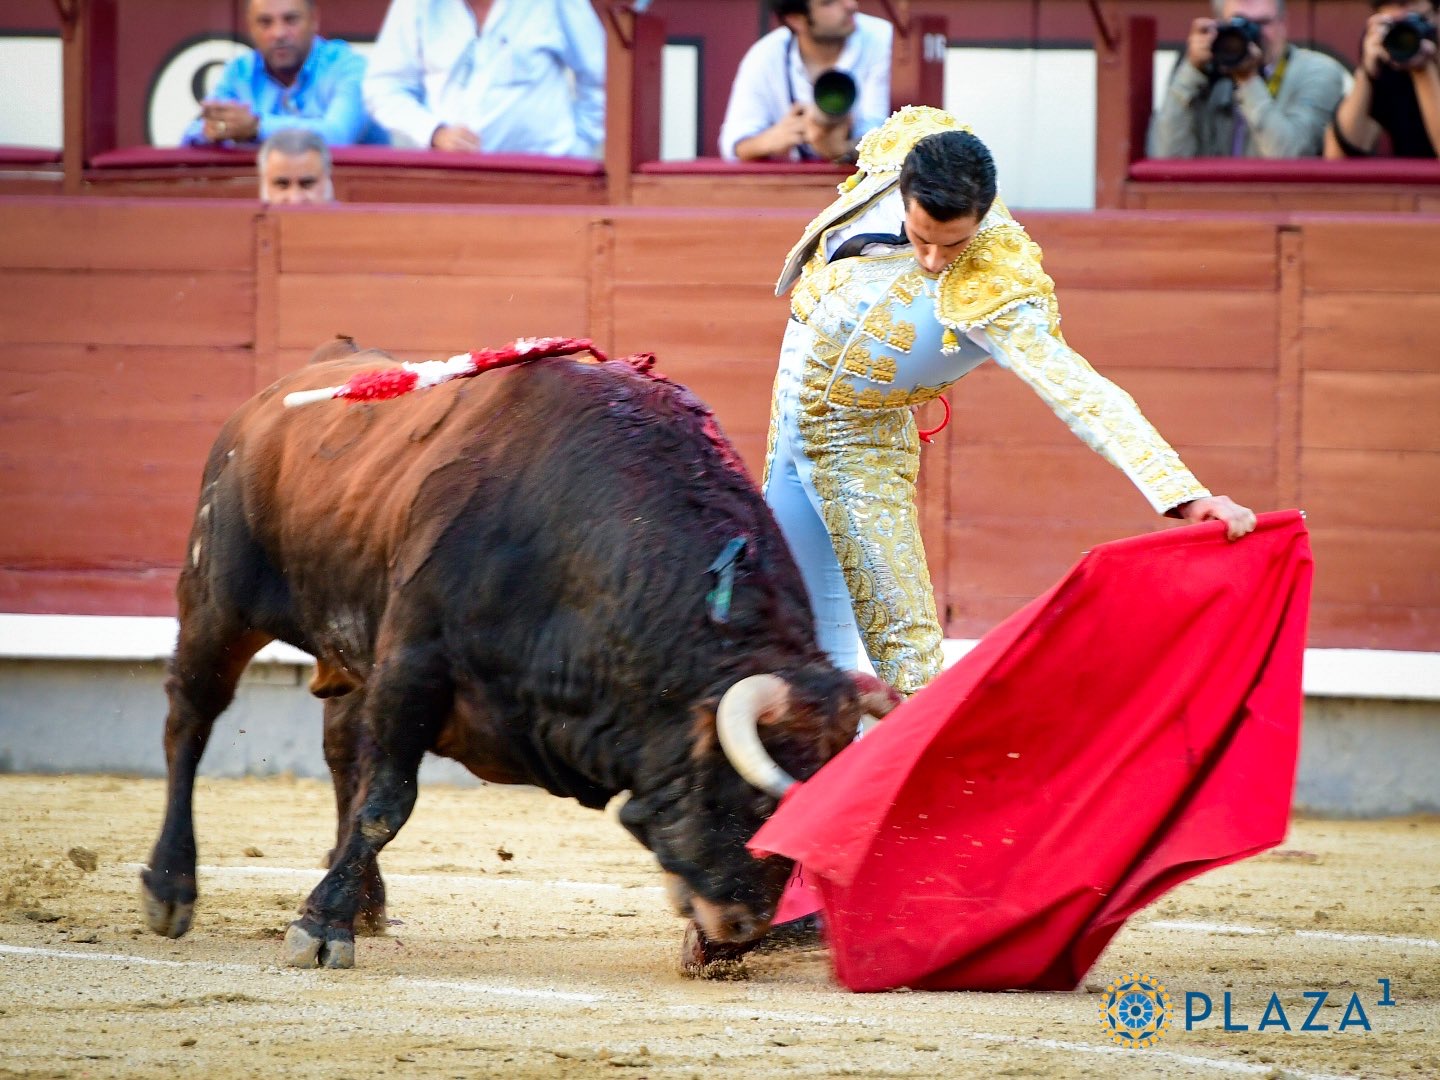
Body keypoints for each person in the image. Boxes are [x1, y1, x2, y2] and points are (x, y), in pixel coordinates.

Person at [764, 106, 1257, 696]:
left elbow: (1075, 386)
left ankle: (909, 785)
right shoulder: (911, 149)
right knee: (784, 627)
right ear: (905, 193)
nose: (934, 261)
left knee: (907, 658)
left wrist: (1184, 494)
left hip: (858, 448)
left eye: (953, 245)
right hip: (789, 421)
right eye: (922, 239)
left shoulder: (995, 281)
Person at [362, 0, 605, 157]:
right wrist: (433, 132)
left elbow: (602, 77)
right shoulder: (416, 5)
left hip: (545, 175)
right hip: (452, 177)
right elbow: (382, 88)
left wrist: (580, 146)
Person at [1148, 0, 1346, 157]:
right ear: (1218, 24)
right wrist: (1190, 72)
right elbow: (1165, 155)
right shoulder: (1202, 72)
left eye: (1262, 23)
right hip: (1211, 204)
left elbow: (1290, 157)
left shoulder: (1317, 72)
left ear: (1283, 23)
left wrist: (1248, 80)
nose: (1253, 34)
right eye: (1239, 23)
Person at [182, 0, 387, 148]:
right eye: (265, 22)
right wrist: (213, 130)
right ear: (250, 27)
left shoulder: (349, 67)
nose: (278, 33)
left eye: (290, 20)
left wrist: (256, 128)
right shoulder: (239, 72)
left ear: (314, 19)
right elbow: (191, 136)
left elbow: (337, 136)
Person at [718, 0, 892, 163]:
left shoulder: (886, 40)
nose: (851, 4)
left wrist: (841, 150)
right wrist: (773, 138)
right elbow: (734, 144)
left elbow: (887, 141)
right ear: (796, 20)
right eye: (829, 2)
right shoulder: (765, 54)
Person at [1325, 0, 1440, 157]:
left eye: (1416, 20)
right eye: (1396, 24)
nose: (1407, 35)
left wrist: (1423, 70)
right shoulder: (1389, 63)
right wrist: (1367, 74)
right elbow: (1338, 156)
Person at [258, 128, 335, 203]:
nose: (295, 199)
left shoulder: (346, 216)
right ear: (264, 183)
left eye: (307, 183)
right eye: (282, 184)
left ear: (328, 180)